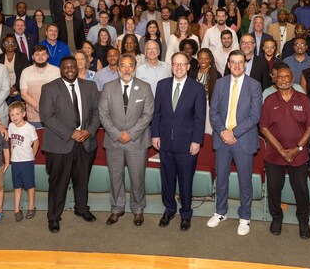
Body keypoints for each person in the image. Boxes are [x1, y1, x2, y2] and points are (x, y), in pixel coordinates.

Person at [39, 56, 101, 233]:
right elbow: (47, 116)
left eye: (72, 66)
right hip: (60, 144)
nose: (70, 70)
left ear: (78, 67)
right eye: (65, 67)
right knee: (58, 182)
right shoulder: (49, 88)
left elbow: (97, 112)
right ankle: (54, 216)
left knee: (82, 179)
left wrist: (88, 131)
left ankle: (81, 208)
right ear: (61, 69)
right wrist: (71, 133)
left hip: (86, 142)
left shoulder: (90, 86)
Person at [208, 50, 262, 236]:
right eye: (233, 62)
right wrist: (223, 131)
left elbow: (255, 116)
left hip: (243, 139)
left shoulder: (254, 85)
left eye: (241, 62)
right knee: (221, 178)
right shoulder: (220, 84)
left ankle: (245, 217)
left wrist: (234, 133)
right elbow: (213, 111)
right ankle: (220, 212)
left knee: (244, 181)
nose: (237, 65)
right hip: (222, 139)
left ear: (245, 64)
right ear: (228, 64)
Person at [151, 52, 206, 231]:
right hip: (165, 142)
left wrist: (197, 141)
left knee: (185, 181)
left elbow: (200, 118)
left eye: (183, 64)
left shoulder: (197, 88)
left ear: (189, 67)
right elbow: (157, 113)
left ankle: (186, 213)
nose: (179, 67)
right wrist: (155, 134)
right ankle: (169, 209)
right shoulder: (162, 85)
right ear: (171, 66)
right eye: (175, 64)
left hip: (187, 144)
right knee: (167, 179)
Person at [98, 54, 154, 227]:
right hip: (114, 141)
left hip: (136, 141)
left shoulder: (145, 87)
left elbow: (148, 114)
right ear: (118, 68)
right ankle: (116, 208)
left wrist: (130, 134)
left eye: (130, 66)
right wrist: (117, 134)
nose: (127, 69)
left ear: (135, 68)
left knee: (137, 178)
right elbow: (103, 114)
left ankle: (138, 209)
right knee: (115, 177)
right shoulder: (108, 87)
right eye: (123, 66)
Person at [260, 66, 310, 238]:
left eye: (287, 76)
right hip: (274, 154)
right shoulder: (269, 100)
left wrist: (297, 148)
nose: (283, 79)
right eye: (280, 77)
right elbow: (263, 128)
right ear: (275, 80)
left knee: (301, 189)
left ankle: (303, 221)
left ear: (293, 79)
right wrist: (281, 150)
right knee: (274, 188)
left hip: (298, 154)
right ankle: (276, 217)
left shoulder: (304, 100)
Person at [7, 101, 39, 222]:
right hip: (15, 161)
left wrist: (33, 155)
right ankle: (16, 209)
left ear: (24, 114)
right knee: (17, 186)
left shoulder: (30, 128)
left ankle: (31, 207)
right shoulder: (11, 126)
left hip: (27, 161)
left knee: (30, 186)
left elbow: (36, 142)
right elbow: (11, 141)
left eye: (17, 114)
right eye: (11, 115)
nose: (14, 117)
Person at [19, 45, 61, 128]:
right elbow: (24, 94)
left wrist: (47, 108)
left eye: (43, 54)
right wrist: (39, 107)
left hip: (53, 116)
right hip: (33, 117)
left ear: (48, 56)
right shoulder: (26, 72)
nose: (40, 57)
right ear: (32, 57)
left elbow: (59, 93)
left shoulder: (56, 71)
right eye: (37, 55)